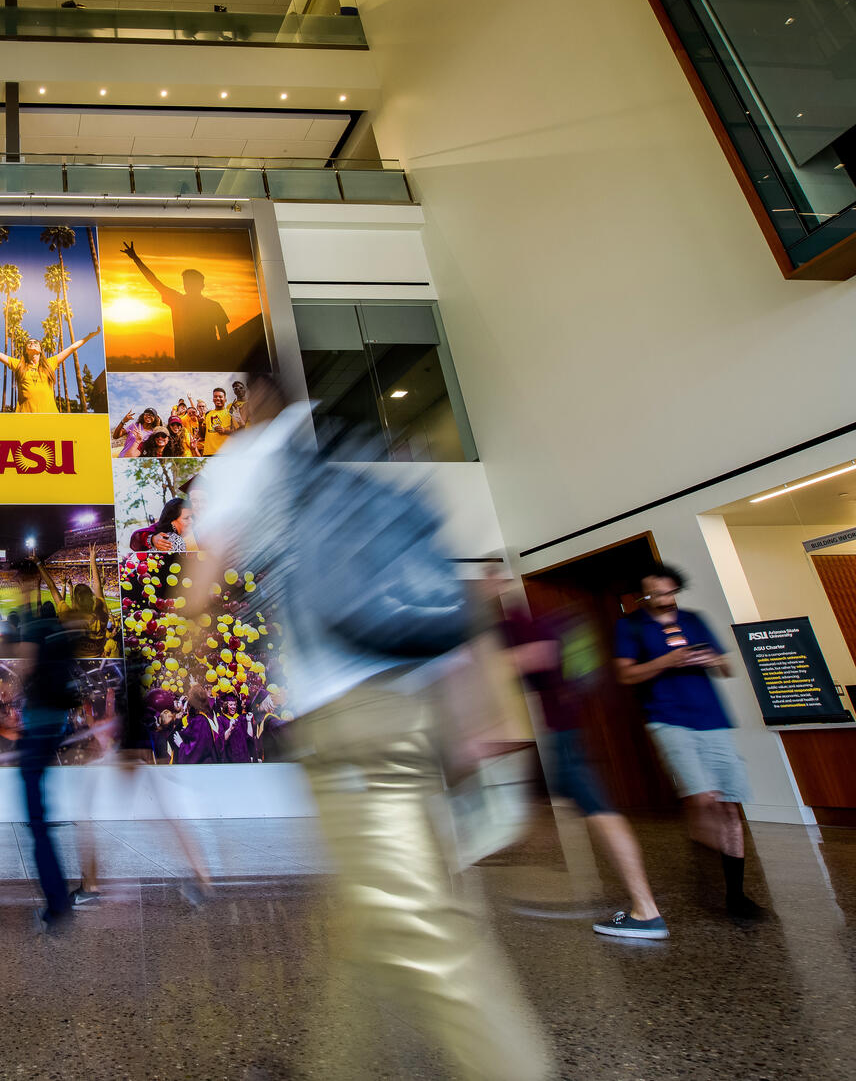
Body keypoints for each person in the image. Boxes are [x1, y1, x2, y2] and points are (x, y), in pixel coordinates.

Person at [191, 373, 550, 1081]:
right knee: (372, 915)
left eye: (239, 395)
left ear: (255, 395)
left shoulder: (247, 460)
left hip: (350, 718)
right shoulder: (360, 449)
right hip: (416, 704)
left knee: (421, 925)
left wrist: (194, 651)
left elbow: (203, 582)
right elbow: (442, 587)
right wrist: (476, 709)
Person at [489, 577, 665, 938]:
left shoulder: (524, 623)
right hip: (556, 734)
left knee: (599, 811)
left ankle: (646, 911)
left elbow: (537, 656)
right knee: (550, 808)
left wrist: (490, 667)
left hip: (561, 735)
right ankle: (543, 888)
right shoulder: (515, 623)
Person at [614, 563, 765, 919]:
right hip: (668, 719)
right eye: (656, 594)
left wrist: (711, 658)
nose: (665, 600)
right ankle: (700, 842)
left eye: (669, 592)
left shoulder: (694, 620)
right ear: (643, 596)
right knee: (701, 797)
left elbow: (727, 667)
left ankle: (735, 895)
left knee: (728, 803)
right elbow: (625, 674)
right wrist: (666, 661)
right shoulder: (631, 625)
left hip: (713, 719)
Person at [13, 559, 84, 928]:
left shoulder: (32, 625)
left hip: (38, 723)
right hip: (54, 722)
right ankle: (57, 901)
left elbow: (25, 667)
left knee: (36, 818)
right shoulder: (57, 626)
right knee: (38, 809)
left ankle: (57, 904)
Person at [120, 241, 231, 369]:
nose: (187, 285)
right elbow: (154, 281)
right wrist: (136, 259)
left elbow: (224, 337)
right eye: (187, 283)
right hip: (191, 359)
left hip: (204, 359)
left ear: (201, 285)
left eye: (190, 283)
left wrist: (136, 259)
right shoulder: (201, 304)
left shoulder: (185, 302)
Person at [0, 327, 101, 413]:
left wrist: (89, 336)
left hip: (50, 415)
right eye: (29, 342)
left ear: (41, 350)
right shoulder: (18, 364)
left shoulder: (50, 363)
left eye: (36, 342)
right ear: (26, 350)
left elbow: (71, 348)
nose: (33, 343)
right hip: (24, 416)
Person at [129, 497, 194, 553]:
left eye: (192, 517)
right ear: (173, 522)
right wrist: (151, 540)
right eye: (186, 518)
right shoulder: (174, 541)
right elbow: (136, 538)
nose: (192, 521)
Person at [201, 387, 235, 455]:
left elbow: (238, 431)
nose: (218, 398)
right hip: (208, 453)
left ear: (225, 399)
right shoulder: (208, 414)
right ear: (213, 399)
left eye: (220, 396)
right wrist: (200, 424)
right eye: (215, 396)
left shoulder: (231, 413)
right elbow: (203, 434)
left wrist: (225, 430)